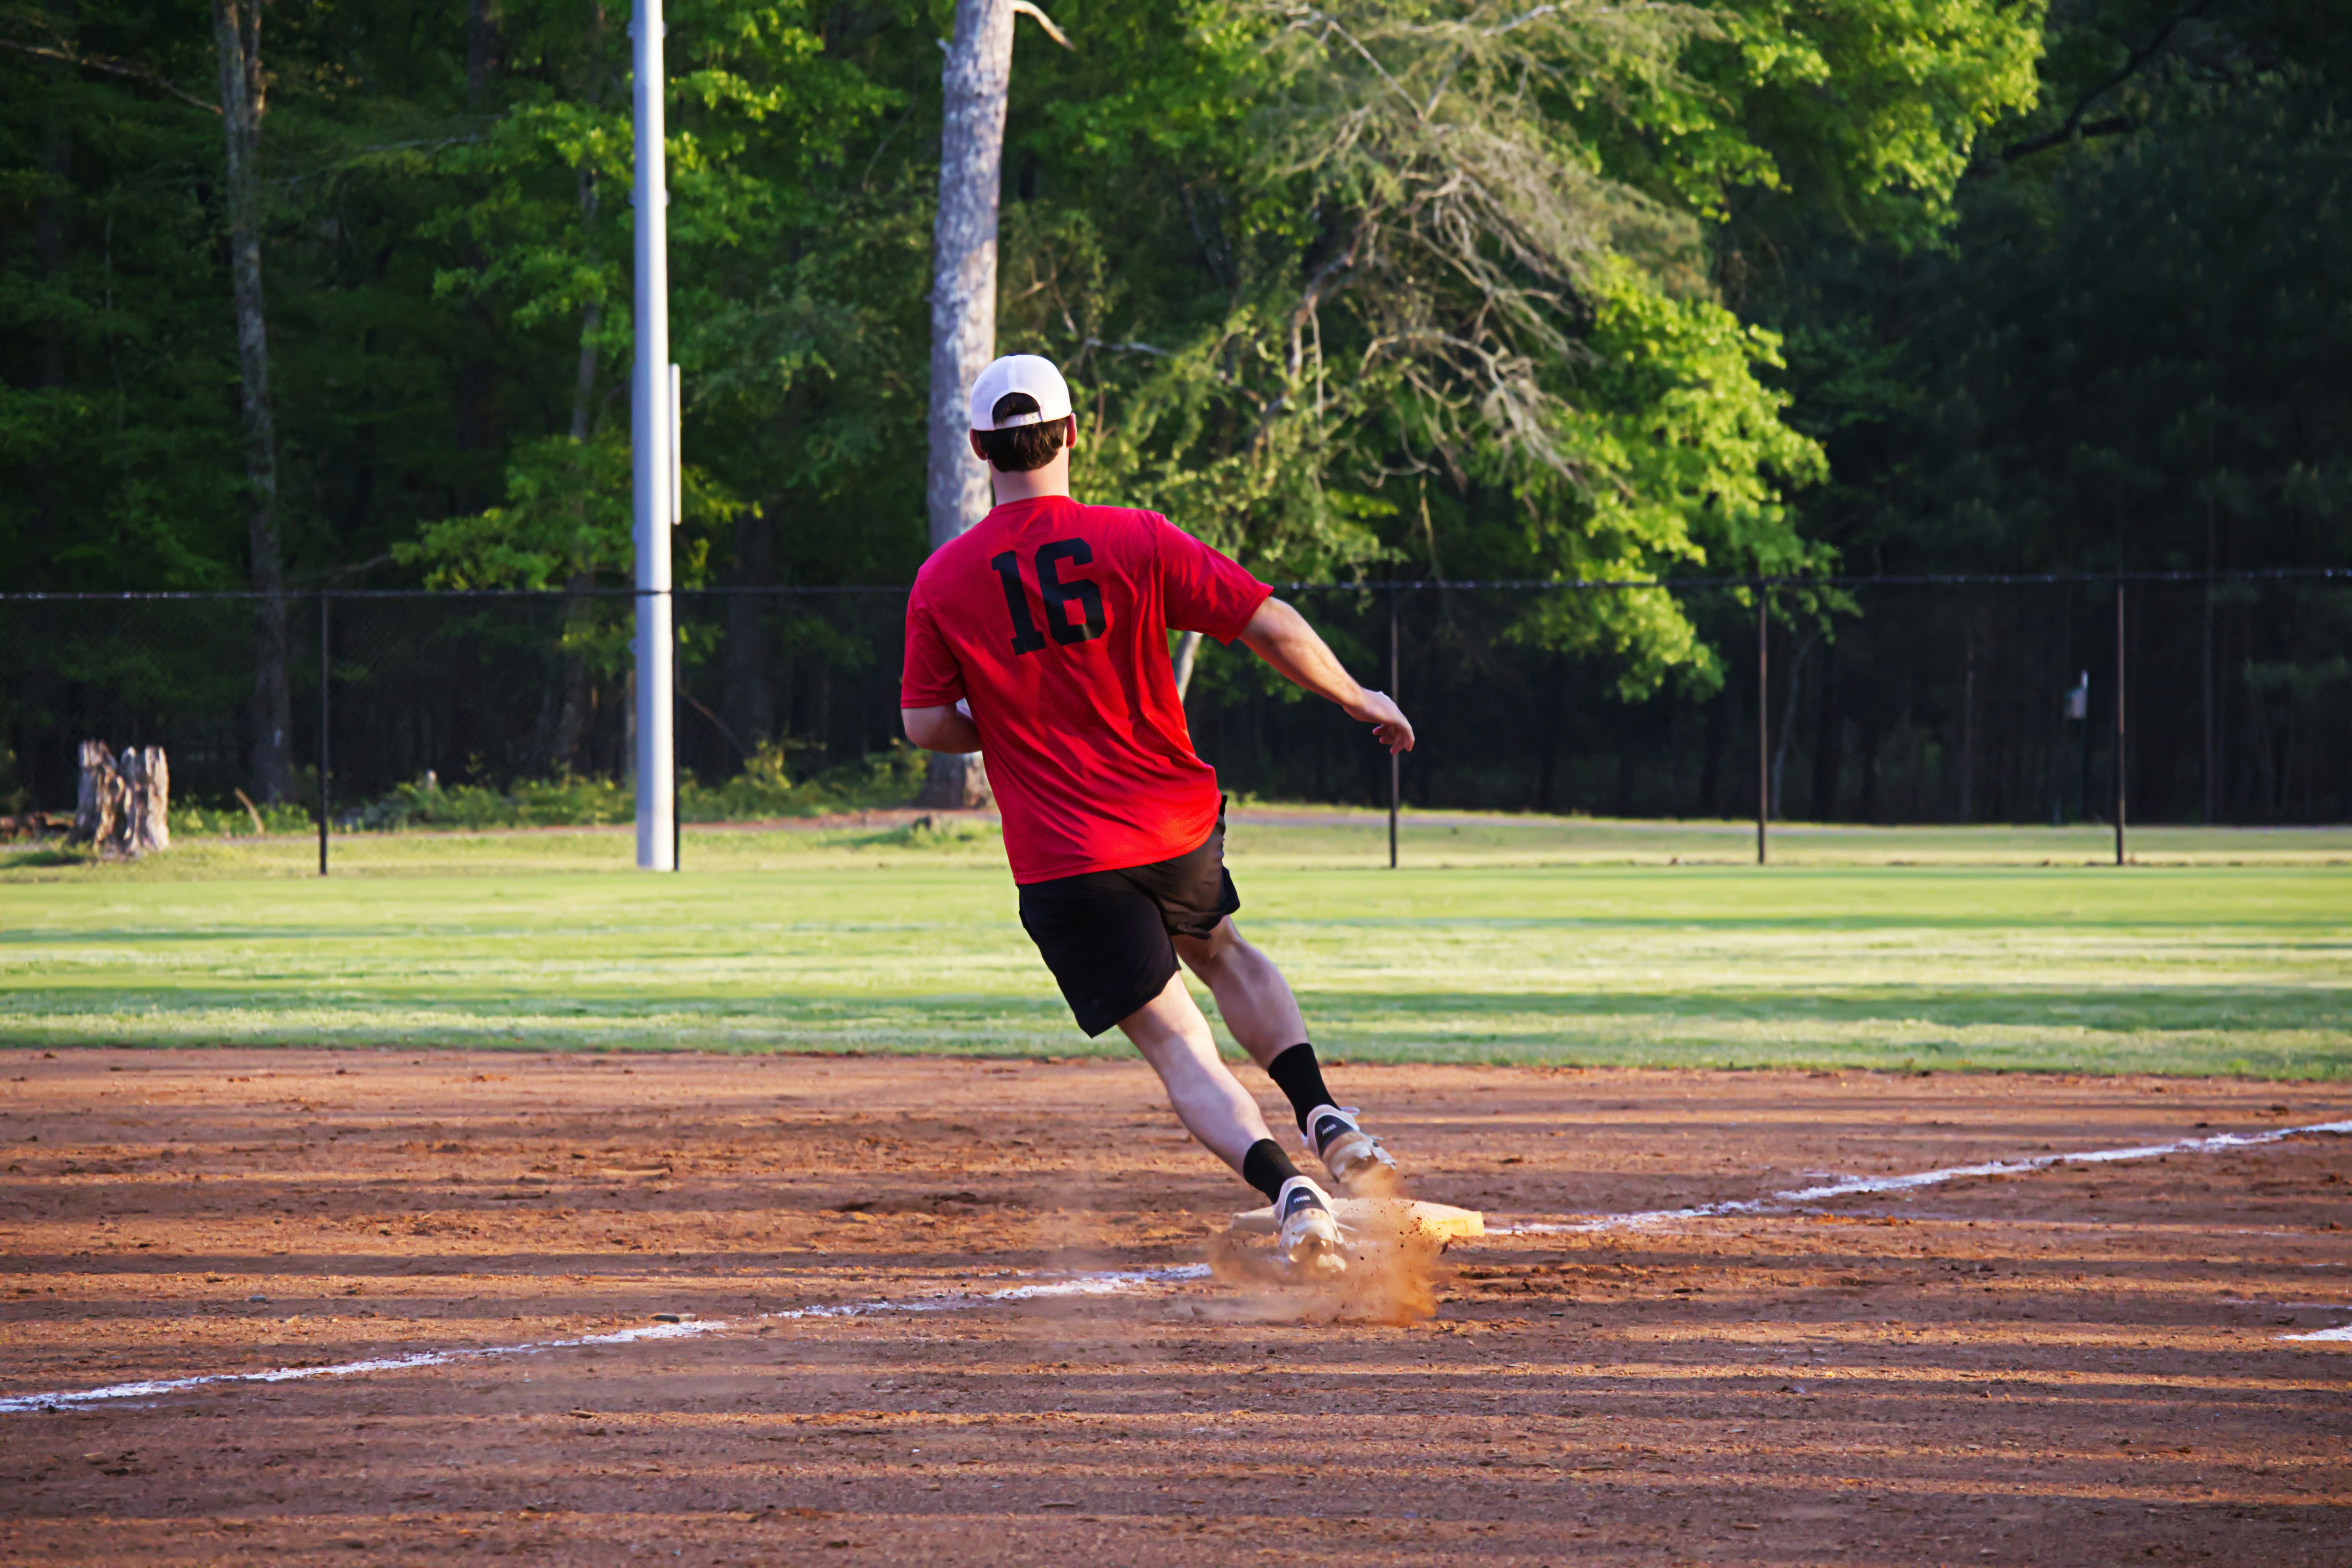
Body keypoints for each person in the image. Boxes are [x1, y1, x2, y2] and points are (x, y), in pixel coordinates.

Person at [900, 354, 1415, 1274]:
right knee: (1223, 951)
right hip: (1172, 825)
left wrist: (1008, 724)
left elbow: (925, 722)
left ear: (978, 448)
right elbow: (1266, 620)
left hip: (1066, 860)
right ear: (1073, 432)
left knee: (1180, 1046)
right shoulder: (1135, 537)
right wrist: (1355, 694)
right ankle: (1321, 1109)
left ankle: (1289, 1189)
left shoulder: (943, 580)